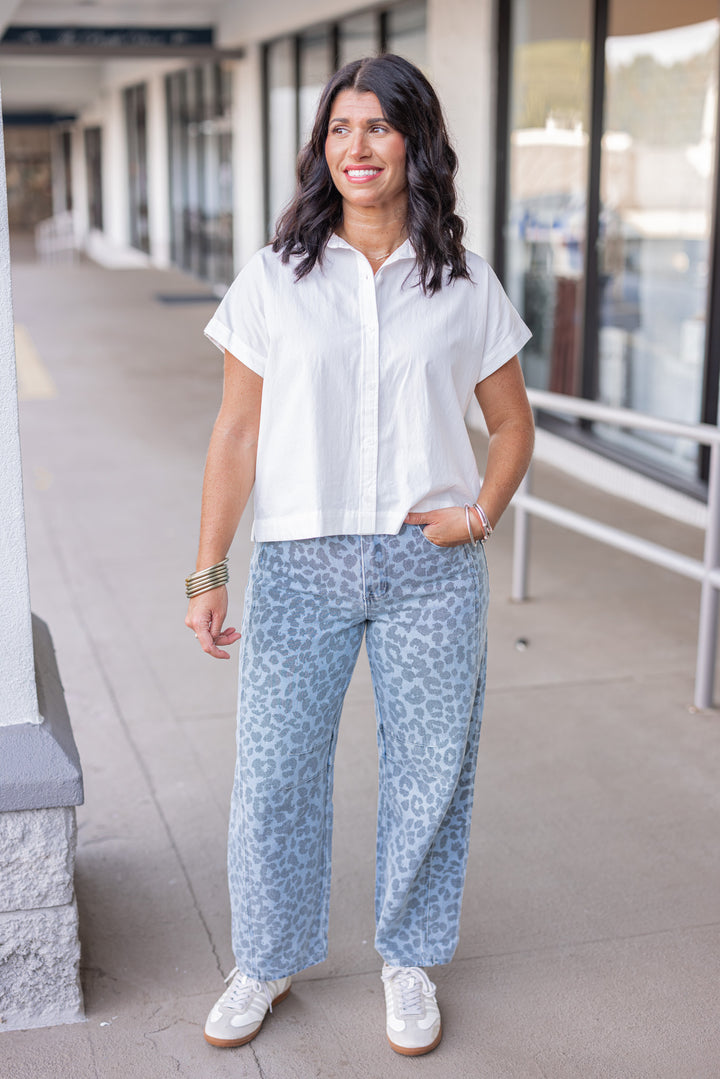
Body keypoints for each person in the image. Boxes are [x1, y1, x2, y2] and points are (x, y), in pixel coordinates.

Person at [185, 53, 534, 1058]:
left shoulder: (462, 281)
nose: (357, 146)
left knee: (431, 769)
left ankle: (408, 959)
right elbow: (235, 435)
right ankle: (265, 955)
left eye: (378, 128)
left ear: (413, 143)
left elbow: (510, 426)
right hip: (299, 559)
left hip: (429, 562)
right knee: (274, 772)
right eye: (341, 128)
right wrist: (209, 567)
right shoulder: (276, 276)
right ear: (321, 148)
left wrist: (479, 513)